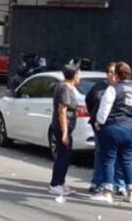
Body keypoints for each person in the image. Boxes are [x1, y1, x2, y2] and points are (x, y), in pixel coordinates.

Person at [91, 61, 132, 205]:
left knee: (109, 159)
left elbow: (104, 110)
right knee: (127, 161)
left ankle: (107, 193)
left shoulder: (113, 89)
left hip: (114, 127)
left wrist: (98, 123)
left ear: (117, 74)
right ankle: (131, 194)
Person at [86, 63, 125, 196]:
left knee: (119, 156)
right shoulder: (99, 87)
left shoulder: (123, 88)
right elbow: (89, 101)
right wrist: (96, 118)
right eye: (109, 72)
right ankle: (97, 183)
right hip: (100, 127)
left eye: (114, 72)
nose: (111, 75)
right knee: (100, 154)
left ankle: (119, 185)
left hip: (118, 127)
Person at [48, 64, 80, 201]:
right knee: (63, 156)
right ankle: (55, 184)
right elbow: (62, 111)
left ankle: (60, 183)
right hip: (62, 128)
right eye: (78, 74)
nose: (80, 77)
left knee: (65, 156)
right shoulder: (65, 88)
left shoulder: (68, 87)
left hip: (65, 128)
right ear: (73, 75)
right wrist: (65, 132)